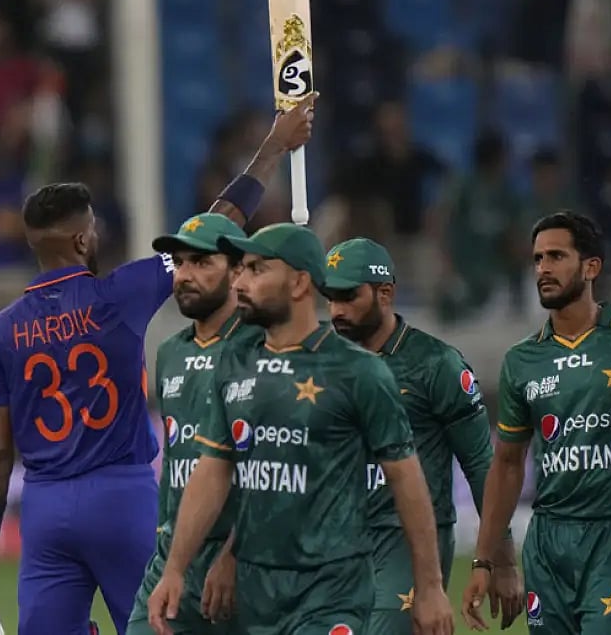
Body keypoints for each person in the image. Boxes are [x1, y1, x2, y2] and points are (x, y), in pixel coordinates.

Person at [0, 96, 316, 635]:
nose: (96, 236)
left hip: (45, 509)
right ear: (80, 239)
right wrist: (275, 145)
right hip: (122, 496)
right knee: (157, 625)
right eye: (92, 230)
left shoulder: (0, 331)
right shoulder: (119, 296)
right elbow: (216, 224)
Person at [147, 223, 455, 635]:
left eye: (257, 270)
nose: (240, 281)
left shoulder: (358, 370)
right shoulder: (235, 363)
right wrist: (175, 569)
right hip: (255, 591)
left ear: (298, 283)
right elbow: (214, 468)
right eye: (242, 269)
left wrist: (430, 586)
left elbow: (406, 476)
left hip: (332, 587)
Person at [462, 211, 611, 634]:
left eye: (557, 256)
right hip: (548, 542)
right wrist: (484, 562)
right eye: (538, 258)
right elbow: (507, 465)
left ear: (591, 266)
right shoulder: (522, 361)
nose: (543, 268)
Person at [322, 237, 523, 632]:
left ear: (386, 293)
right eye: (330, 298)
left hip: (406, 541)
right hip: (336, 541)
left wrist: (501, 561)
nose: (336, 311)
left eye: (348, 297)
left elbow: (483, 465)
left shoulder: (435, 365)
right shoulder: (322, 364)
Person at [127, 213, 257, 635]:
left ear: (238, 270)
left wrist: (237, 554)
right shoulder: (170, 352)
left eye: (202, 263)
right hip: (173, 559)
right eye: (180, 263)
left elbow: (276, 464)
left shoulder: (261, 349)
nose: (185, 275)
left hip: (243, 563)